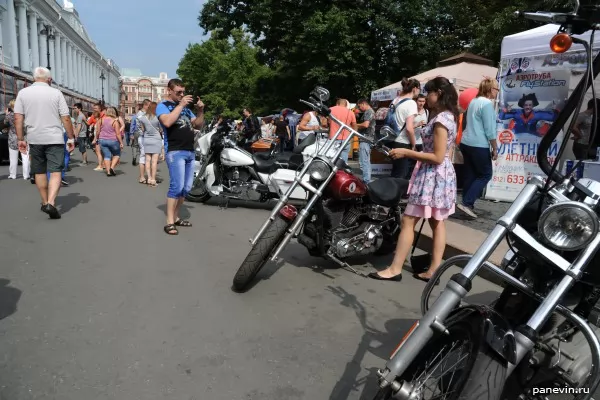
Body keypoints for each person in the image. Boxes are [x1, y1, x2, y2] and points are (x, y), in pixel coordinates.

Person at [369, 77, 458, 282]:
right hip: (440, 174)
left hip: (431, 175)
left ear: (439, 93)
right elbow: (445, 155)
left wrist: (406, 153)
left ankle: (395, 268)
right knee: (437, 222)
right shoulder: (448, 116)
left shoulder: (441, 120)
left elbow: (436, 156)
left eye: (429, 93)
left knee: (409, 220)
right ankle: (433, 270)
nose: (426, 98)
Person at [14, 67, 75, 219]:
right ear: (49, 79)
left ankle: (44, 201)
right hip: (54, 138)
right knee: (55, 171)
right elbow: (65, 117)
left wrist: (21, 139)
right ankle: (51, 202)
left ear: (34, 78)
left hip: (34, 138)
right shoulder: (56, 93)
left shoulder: (23, 93)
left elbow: (18, 118)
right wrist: (71, 137)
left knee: (39, 171)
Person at [157, 78, 205, 235]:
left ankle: (176, 217)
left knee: (186, 188)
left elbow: (197, 124)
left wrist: (200, 111)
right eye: (178, 92)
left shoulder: (186, 109)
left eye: (183, 92)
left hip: (190, 151)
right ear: (169, 90)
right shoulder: (162, 106)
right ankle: (169, 222)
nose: (182, 94)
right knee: (176, 187)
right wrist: (181, 105)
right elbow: (168, 122)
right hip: (175, 151)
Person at [457, 78, 499, 219]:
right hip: (478, 143)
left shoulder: (474, 101)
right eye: (496, 89)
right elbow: (490, 129)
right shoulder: (487, 104)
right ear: (489, 89)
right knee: (485, 174)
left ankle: (466, 203)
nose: (497, 92)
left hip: (466, 141)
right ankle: (467, 203)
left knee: (471, 173)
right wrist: (494, 147)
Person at [388, 79, 421, 179]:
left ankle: (391, 193)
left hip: (393, 139)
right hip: (404, 142)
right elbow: (409, 128)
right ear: (415, 88)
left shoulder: (395, 100)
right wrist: (414, 145)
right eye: (419, 89)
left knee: (395, 172)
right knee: (403, 175)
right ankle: (398, 194)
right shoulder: (411, 103)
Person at [138, 101, 164, 187]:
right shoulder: (158, 117)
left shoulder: (142, 117)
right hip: (156, 139)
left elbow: (142, 129)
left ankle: (148, 178)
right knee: (154, 161)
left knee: (147, 160)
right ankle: (153, 179)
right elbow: (161, 130)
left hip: (147, 139)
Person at [93, 107, 123, 177]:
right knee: (117, 154)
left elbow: (97, 131)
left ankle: (108, 172)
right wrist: (121, 142)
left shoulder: (100, 120)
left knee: (107, 155)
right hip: (113, 140)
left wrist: (96, 139)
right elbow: (118, 133)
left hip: (102, 140)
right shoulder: (115, 121)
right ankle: (112, 167)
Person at [5, 99, 30, 180]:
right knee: (25, 157)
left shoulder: (9, 115)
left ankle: (13, 175)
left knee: (13, 158)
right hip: (23, 138)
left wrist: (6, 114)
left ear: (12, 107)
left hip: (12, 138)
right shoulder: (24, 115)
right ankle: (26, 175)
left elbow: (5, 123)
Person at [356, 98, 375, 183]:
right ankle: (367, 180)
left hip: (366, 139)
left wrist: (355, 125)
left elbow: (366, 125)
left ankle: (366, 181)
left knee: (364, 162)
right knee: (365, 161)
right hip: (367, 139)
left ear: (364, 104)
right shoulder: (369, 112)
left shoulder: (368, 112)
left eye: (360, 107)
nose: (360, 109)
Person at [135, 100, 151, 183]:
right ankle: (142, 176)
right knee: (143, 156)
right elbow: (143, 127)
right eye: (149, 106)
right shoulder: (141, 115)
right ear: (145, 105)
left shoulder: (145, 114)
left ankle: (148, 176)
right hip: (143, 137)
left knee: (147, 157)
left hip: (147, 137)